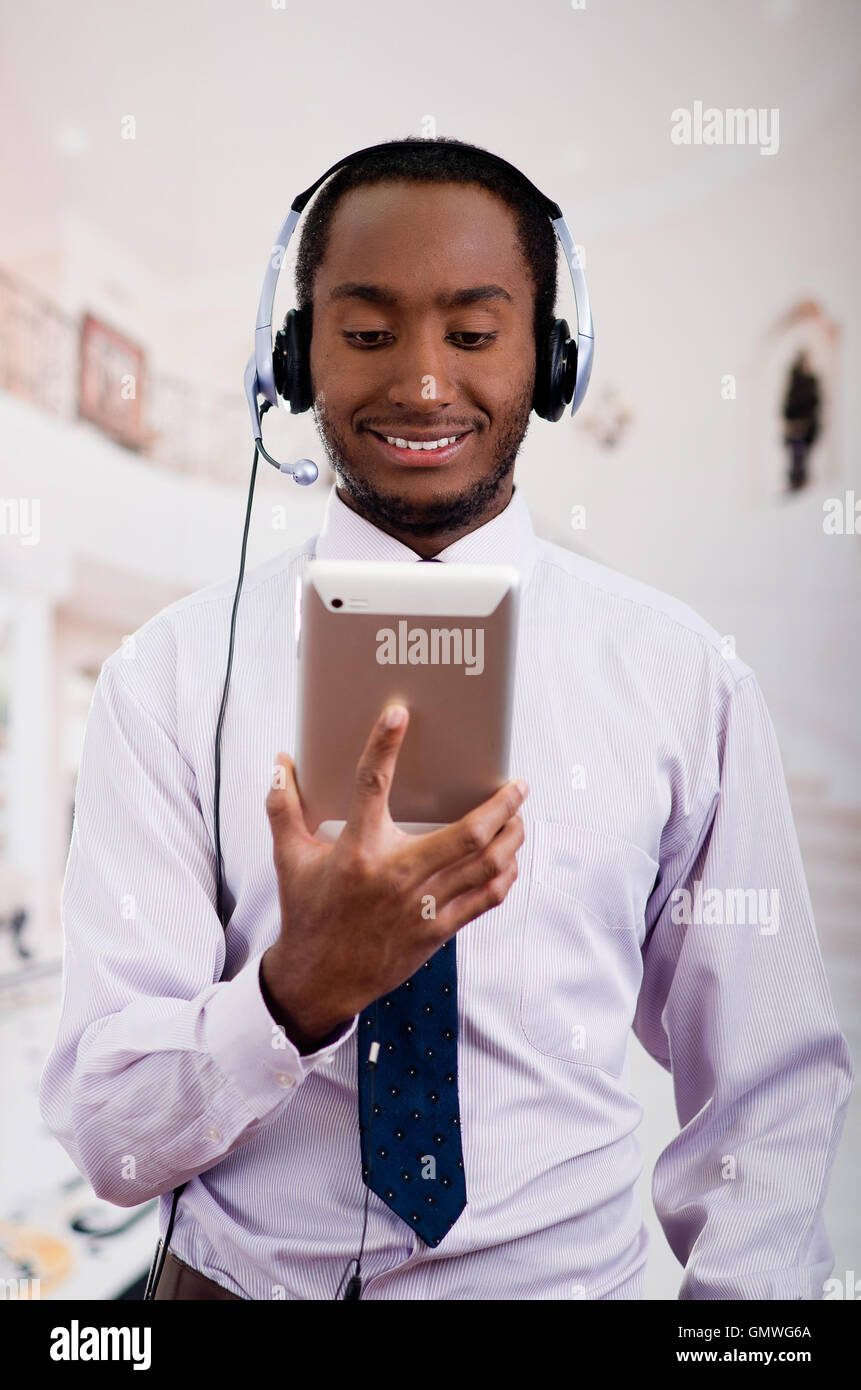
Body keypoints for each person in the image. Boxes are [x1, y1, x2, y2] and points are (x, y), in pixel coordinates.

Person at [40, 137, 853, 1301]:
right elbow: (112, 1141)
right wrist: (294, 992)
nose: (424, 382)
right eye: (368, 334)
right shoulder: (165, 677)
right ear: (296, 358)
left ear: (551, 361)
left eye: (474, 333)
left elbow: (767, 1085)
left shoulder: (682, 678)